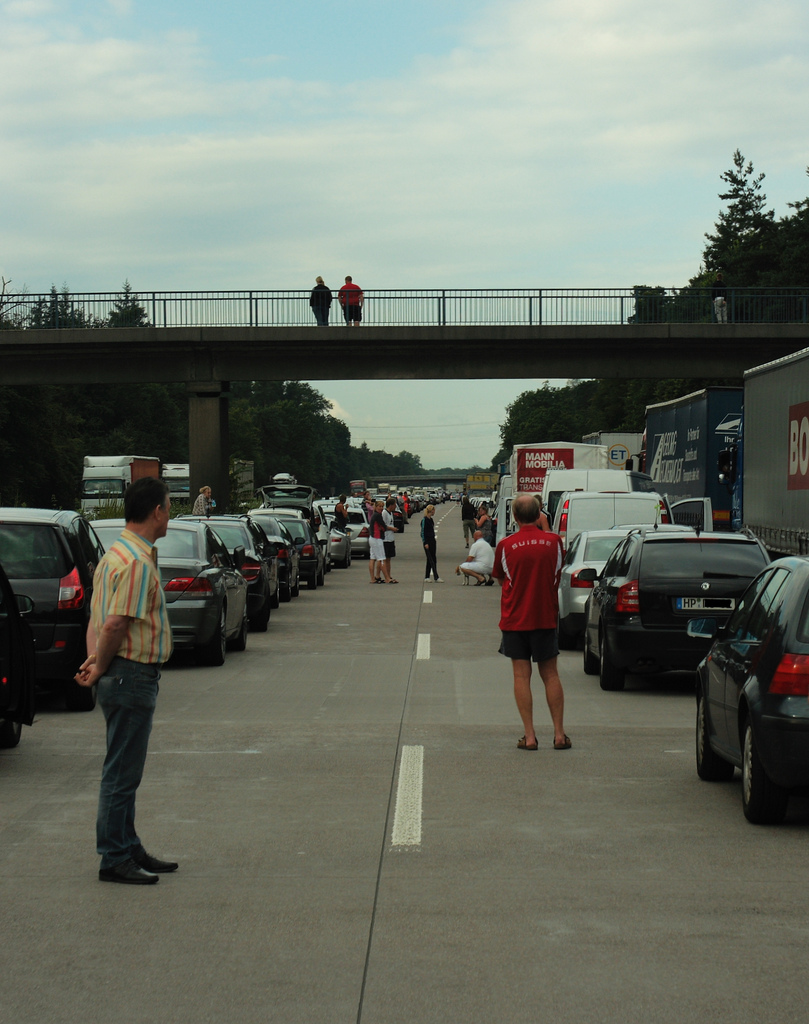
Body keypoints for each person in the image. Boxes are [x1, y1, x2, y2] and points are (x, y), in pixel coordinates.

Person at [74, 478, 176, 884]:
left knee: (124, 768)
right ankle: (114, 856)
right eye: (169, 506)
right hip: (131, 674)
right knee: (121, 772)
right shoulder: (136, 562)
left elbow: (96, 619)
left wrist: (94, 659)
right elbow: (114, 623)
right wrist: (100, 666)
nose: (169, 514)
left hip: (120, 673)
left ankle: (127, 844)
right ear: (157, 511)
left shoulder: (114, 554)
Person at [492, 493, 571, 752]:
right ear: (539, 515)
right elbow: (557, 574)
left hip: (515, 619)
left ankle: (529, 736)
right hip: (545, 617)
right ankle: (559, 734)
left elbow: (502, 579)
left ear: (514, 517)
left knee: (521, 676)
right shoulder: (554, 542)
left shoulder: (506, 545)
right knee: (550, 675)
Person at [368, 500, 391, 583]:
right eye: (379, 506)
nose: (381, 508)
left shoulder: (374, 515)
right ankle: (387, 578)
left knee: (372, 558)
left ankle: (372, 578)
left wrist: (382, 528)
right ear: (376, 507)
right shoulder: (378, 516)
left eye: (382, 506)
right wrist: (382, 528)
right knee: (381, 559)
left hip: (372, 538)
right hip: (377, 538)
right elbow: (384, 527)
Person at [380, 496, 399, 583]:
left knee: (389, 558)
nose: (395, 506)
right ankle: (386, 576)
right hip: (385, 539)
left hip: (391, 538)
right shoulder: (384, 513)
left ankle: (389, 575)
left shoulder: (390, 513)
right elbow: (382, 526)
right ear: (390, 505)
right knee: (385, 559)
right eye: (394, 505)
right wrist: (392, 529)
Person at [421, 504, 441, 582]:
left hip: (432, 540)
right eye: (434, 511)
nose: (434, 512)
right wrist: (425, 542)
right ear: (431, 511)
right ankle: (433, 576)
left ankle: (429, 576)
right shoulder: (424, 520)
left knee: (433, 558)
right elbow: (423, 532)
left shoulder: (431, 520)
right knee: (430, 559)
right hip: (427, 541)